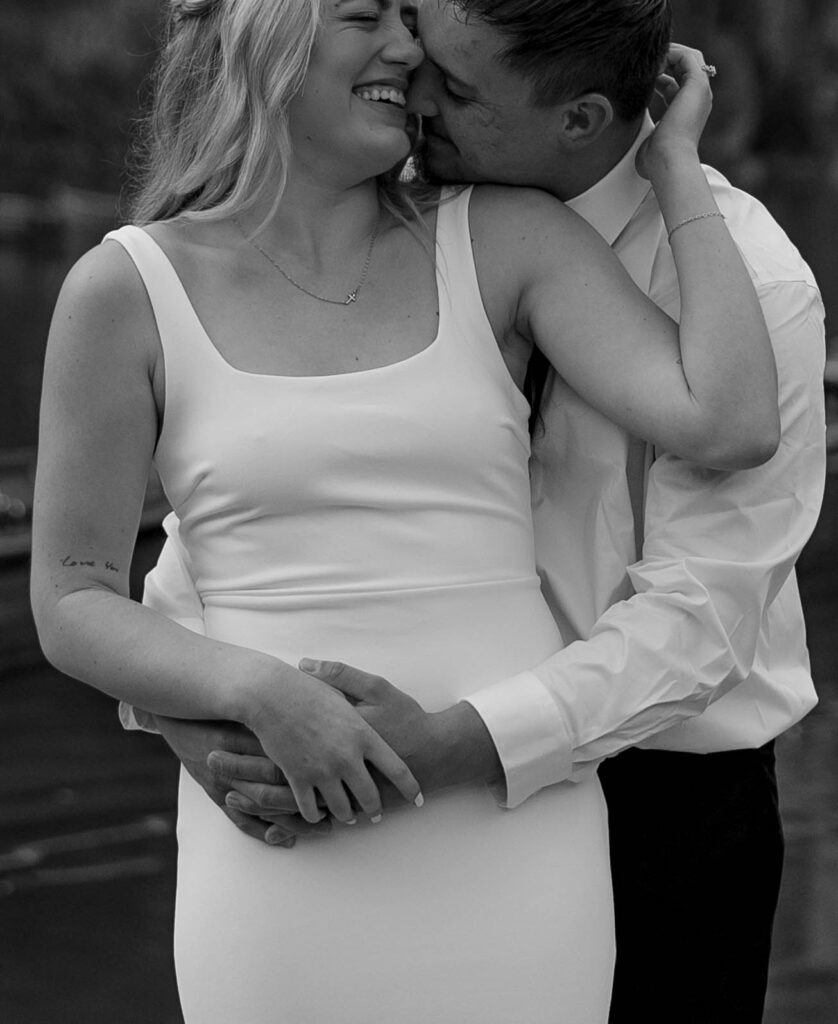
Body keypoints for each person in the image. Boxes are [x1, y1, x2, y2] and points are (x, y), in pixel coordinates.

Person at [31, 0, 783, 1020]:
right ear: (261, 34)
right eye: (363, 16)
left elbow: (730, 420)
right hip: (280, 838)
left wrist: (675, 165)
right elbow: (79, 597)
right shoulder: (122, 288)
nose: (406, 48)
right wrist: (248, 696)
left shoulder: (509, 237)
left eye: (406, 19)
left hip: (513, 828)